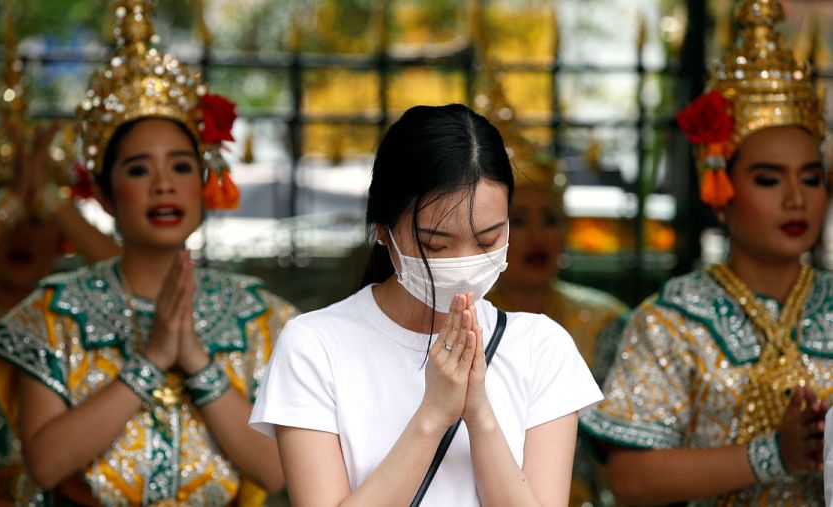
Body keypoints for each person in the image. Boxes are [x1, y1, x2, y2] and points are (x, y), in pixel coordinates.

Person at [0, 1, 295, 505]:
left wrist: (193, 359)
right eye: (139, 170)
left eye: (181, 167)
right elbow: (44, 464)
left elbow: (278, 472)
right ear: (104, 195)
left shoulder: (260, 316)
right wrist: (150, 361)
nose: (164, 185)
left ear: (204, 182)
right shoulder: (53, 313)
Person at [249, 103, 602, 506]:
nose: (462, 263)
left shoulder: (543, 348)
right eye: (436, 244)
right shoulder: (314, 346)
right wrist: (433, 416)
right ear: (384, 229)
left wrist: (480, 414)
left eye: (488, 239)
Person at [580, 1, 831, 505]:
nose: (795, 199)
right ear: (721, 188)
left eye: (811, 178)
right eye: (767, 179)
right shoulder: (671, 322)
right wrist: (770, 456)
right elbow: (628, 480)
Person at [0, 13, 119, 506]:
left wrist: (54, 204)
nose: (20, 236)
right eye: (6, 219)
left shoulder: (79, 318)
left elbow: (146, 287)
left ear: (59, 238)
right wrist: (13, 202)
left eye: (36, 223)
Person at [467, 7, 628, 503]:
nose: (537, 236)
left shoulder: (602, 323)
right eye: (518, 220)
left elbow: (618, 459)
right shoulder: (450, 318)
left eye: (551, 219)